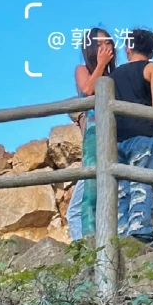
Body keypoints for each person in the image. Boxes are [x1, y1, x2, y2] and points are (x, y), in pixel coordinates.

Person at [113, 28, 153, 244]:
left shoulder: (113, 75)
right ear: (152, 52)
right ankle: (141, 234)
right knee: (142, 182)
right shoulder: (152, 68)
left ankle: (121, 235)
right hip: (144, 134)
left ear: (128, 48)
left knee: (122, 189)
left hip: (117, 137)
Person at [68, 27, 117, 240]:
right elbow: (87, 90)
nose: (105, 47)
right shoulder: (82, 69)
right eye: (99, 44)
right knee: (83, 200)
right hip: (94, 139)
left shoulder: (116, 75)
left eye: (108, 42)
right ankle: (85, 243)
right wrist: (101, 65)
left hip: (115, 137)